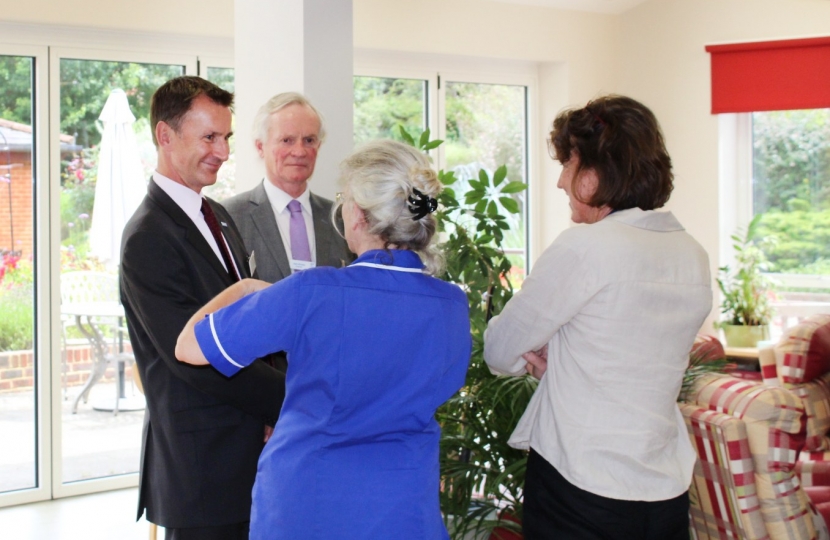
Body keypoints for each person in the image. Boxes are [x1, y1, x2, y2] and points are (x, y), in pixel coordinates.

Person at [176, 139, 472, 540]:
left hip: (309, 505)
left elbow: (189, 347)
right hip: (402, 505)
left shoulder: (313, 292)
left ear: (358, 215)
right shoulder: (452, 305)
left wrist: (245, 289)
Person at [484, 95, 712, 539]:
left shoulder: (585, 248)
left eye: (567, 165)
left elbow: (500, 351)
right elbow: (631, 352)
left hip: (580, 483)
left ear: (594, 173)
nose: (560, 182)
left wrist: (554, 351)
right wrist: (571, 356)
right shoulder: (693, 255)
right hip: (663, 489)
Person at [120, 76, 284, 540]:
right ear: (165, 136)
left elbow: (247, 326)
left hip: (250, 454)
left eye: (226, 136)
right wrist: (291, 399)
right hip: (202, 467)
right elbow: (190, 356)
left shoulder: (220, 216)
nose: (224, 151)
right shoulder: (148, 236)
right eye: (209, 137)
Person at [223, 92, 352, 282]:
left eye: (309, 140)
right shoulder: (230, 216)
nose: (299, 151)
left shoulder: (341, 218)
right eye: (287, 140)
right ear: (260, 147)